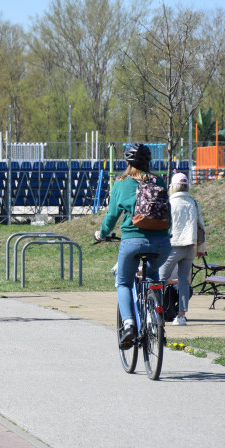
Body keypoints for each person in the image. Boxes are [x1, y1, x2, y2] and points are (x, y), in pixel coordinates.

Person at [95, 143, 171, 347]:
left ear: (127, 162)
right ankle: (154, 322)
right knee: (153, 275)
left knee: (124, 282)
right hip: (162, 243)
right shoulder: (160, 181)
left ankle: (129, 325)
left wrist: (101, 234)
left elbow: (111, 216)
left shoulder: (121, 183)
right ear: (149, 162)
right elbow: (168, 215)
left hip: (133, 242)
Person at [158, 172, 206, 326]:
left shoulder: (169, 203)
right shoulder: (194, 203)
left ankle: (156, 311)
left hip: (172, 247)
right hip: (189, 249)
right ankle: (181, 316)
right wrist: (200, 248)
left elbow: (163, 226)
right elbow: (201, 228)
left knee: (159, 279)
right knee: (184, 281)